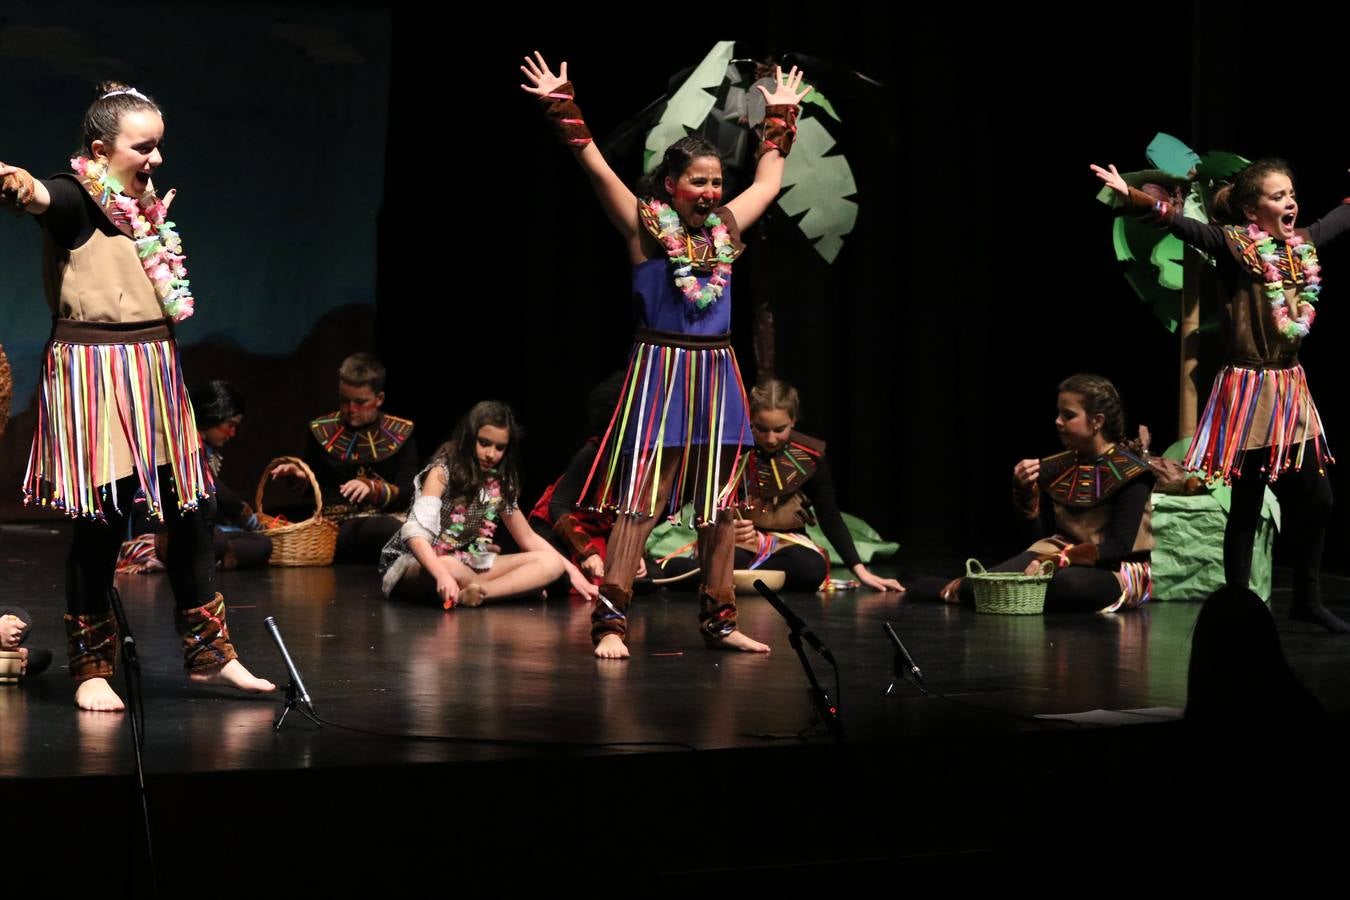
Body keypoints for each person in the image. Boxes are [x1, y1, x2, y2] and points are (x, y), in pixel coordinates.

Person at [521, 51, 811, 658]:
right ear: (672, 186)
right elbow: (595, 165)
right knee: (643, 503)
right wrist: (562, 106)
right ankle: (610, 622)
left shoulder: (728, 229)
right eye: (698, 181)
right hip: (663, 372)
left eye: (714, 181)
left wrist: (780, 118)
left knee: (720, 506)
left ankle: (720, 620)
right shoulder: (644, 228)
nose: (710, 191)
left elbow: (769, 182)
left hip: (718, 372)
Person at [1, 82, 274, 709]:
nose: (155, 159)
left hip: (154, 368)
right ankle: (92, 666)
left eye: (159, 147)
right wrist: (12, 179)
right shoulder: (75, 198)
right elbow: (35, 194)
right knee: (101, 520)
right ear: (101, 149)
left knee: (195, 511)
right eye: (143, 147)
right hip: (97, 372)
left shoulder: (142, 208)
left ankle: (210, 655)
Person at [1094, 159, 1350, 632]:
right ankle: (1236, 607)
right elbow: (1181, 223)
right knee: (1248, 502)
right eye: (1277, 196)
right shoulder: (1237, 246)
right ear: (1253, 210)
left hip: (1291, 389)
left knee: (1320, 498)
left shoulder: (1303, 246)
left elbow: (1343, 215)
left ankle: (1307, 600)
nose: (1289, 202)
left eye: (1291, 193)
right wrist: (1132, 196)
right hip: (1250, 393)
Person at [910, 374, 1154, 613]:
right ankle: (956, 589)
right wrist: (1025, 493)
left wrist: (1059, 560)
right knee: (983, 584)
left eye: (1068, 416)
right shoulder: (1057, 467)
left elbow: (1119, 546)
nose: (1058, 421)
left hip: (1118, 569)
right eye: (1059, 413)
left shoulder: (1131, 472)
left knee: (1065, 585)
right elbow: (1035, 537)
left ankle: (995, 595)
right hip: (1058, 556)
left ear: (1097, 421)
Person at [379, 401, 598, 607]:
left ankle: (479, 593)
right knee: (449, 565)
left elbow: (528, 538)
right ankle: (507, 590)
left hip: (465, 560)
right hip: (417, 563)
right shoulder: (442, 472)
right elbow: (414, 533)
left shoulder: (499, 482)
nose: (491, 454)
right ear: (469, 439)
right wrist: (442, 574)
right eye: (484, 443)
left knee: (552, 562)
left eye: (499, 447)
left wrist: (572, 572)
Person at [270, 352, 417, 564]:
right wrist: (301, 477)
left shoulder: (401, 432)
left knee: (399, 529)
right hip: (337, 528)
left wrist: (373, 489)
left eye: (360, 402)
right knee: (387, 530)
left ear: (379, 399)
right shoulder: (322, 431)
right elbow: (318, 491)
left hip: (390, 522)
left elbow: (408, 492)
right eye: (344, 400)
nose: (351, 409)